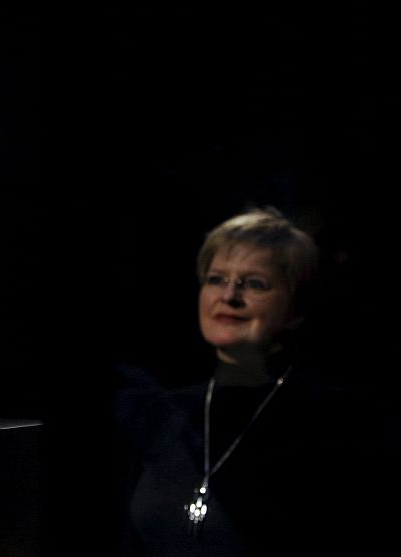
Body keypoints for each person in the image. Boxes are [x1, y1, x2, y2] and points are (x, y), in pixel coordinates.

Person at [112, 207, 384, 555]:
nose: (229, 296)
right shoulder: (159, 413)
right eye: (216, 279)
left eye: (254, 283)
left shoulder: (339, 420)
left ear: (295, 309)